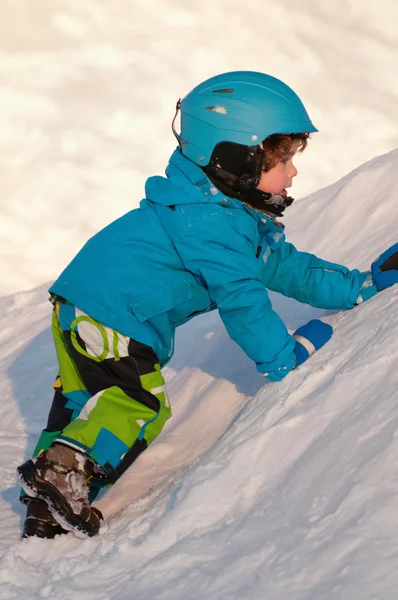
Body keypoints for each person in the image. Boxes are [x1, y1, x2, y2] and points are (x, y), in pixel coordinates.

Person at [17, 71, 398, 539]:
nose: (293, 172)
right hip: (115, 316)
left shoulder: (220, 213)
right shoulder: (211, 225)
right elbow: (243, 299)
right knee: (138, 402)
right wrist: (281, 359)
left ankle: (46, 504)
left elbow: (282, 268)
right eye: (283, 159)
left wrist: (359, 285)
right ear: (235, 159)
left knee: (83, 401)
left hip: (82, 304)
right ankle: (62, 475)